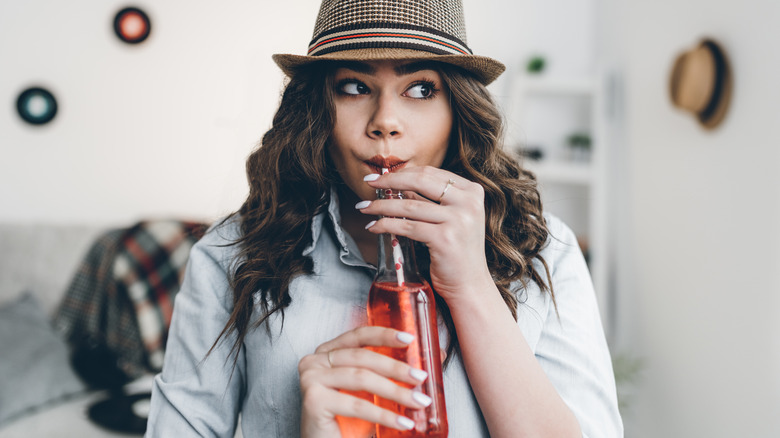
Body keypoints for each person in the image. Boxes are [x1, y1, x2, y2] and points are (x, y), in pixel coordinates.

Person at [146, 0, 623, 437]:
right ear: (317, 109)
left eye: (420, 88)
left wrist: (472, 286)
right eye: (355, 87)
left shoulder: (546, 252)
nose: (385, 121)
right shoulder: (231, 256)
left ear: (458, 110)